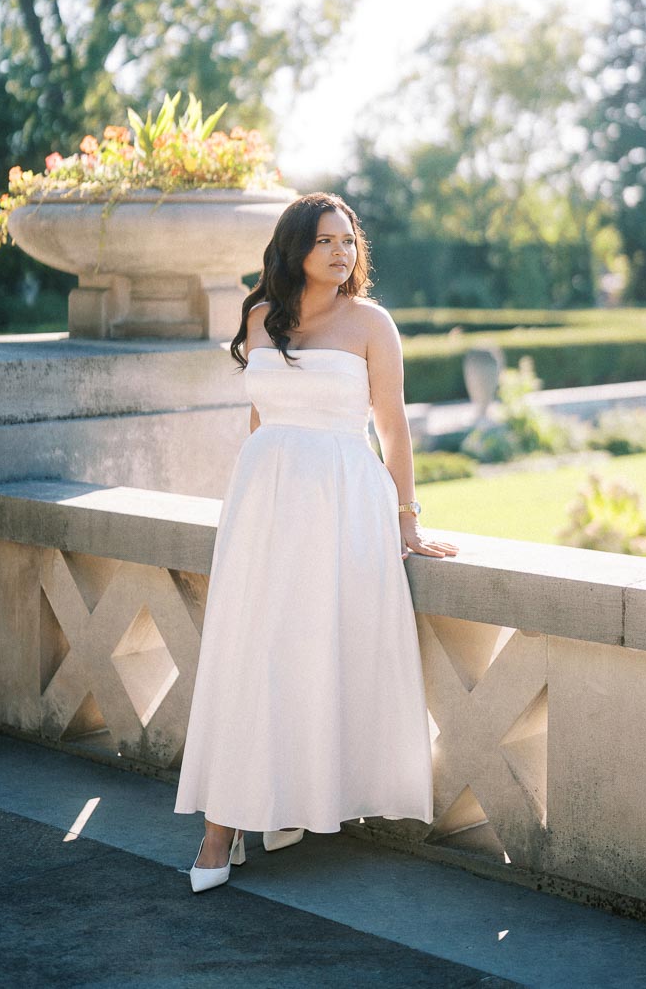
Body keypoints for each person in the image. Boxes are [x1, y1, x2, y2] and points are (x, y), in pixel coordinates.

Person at [173, 191, 459, 892]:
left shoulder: (371, 323)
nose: (342, 252)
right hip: (264, 501)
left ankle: (288, 802)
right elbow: (259, 417)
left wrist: (407, 519)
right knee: (250, 649)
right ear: (295, 247)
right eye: (327, 240)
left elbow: (391, 426)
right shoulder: (260, 315)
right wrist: (246, 504)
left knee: (312, 648)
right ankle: (223, 825)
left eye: (350, 241)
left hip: (342, 503)